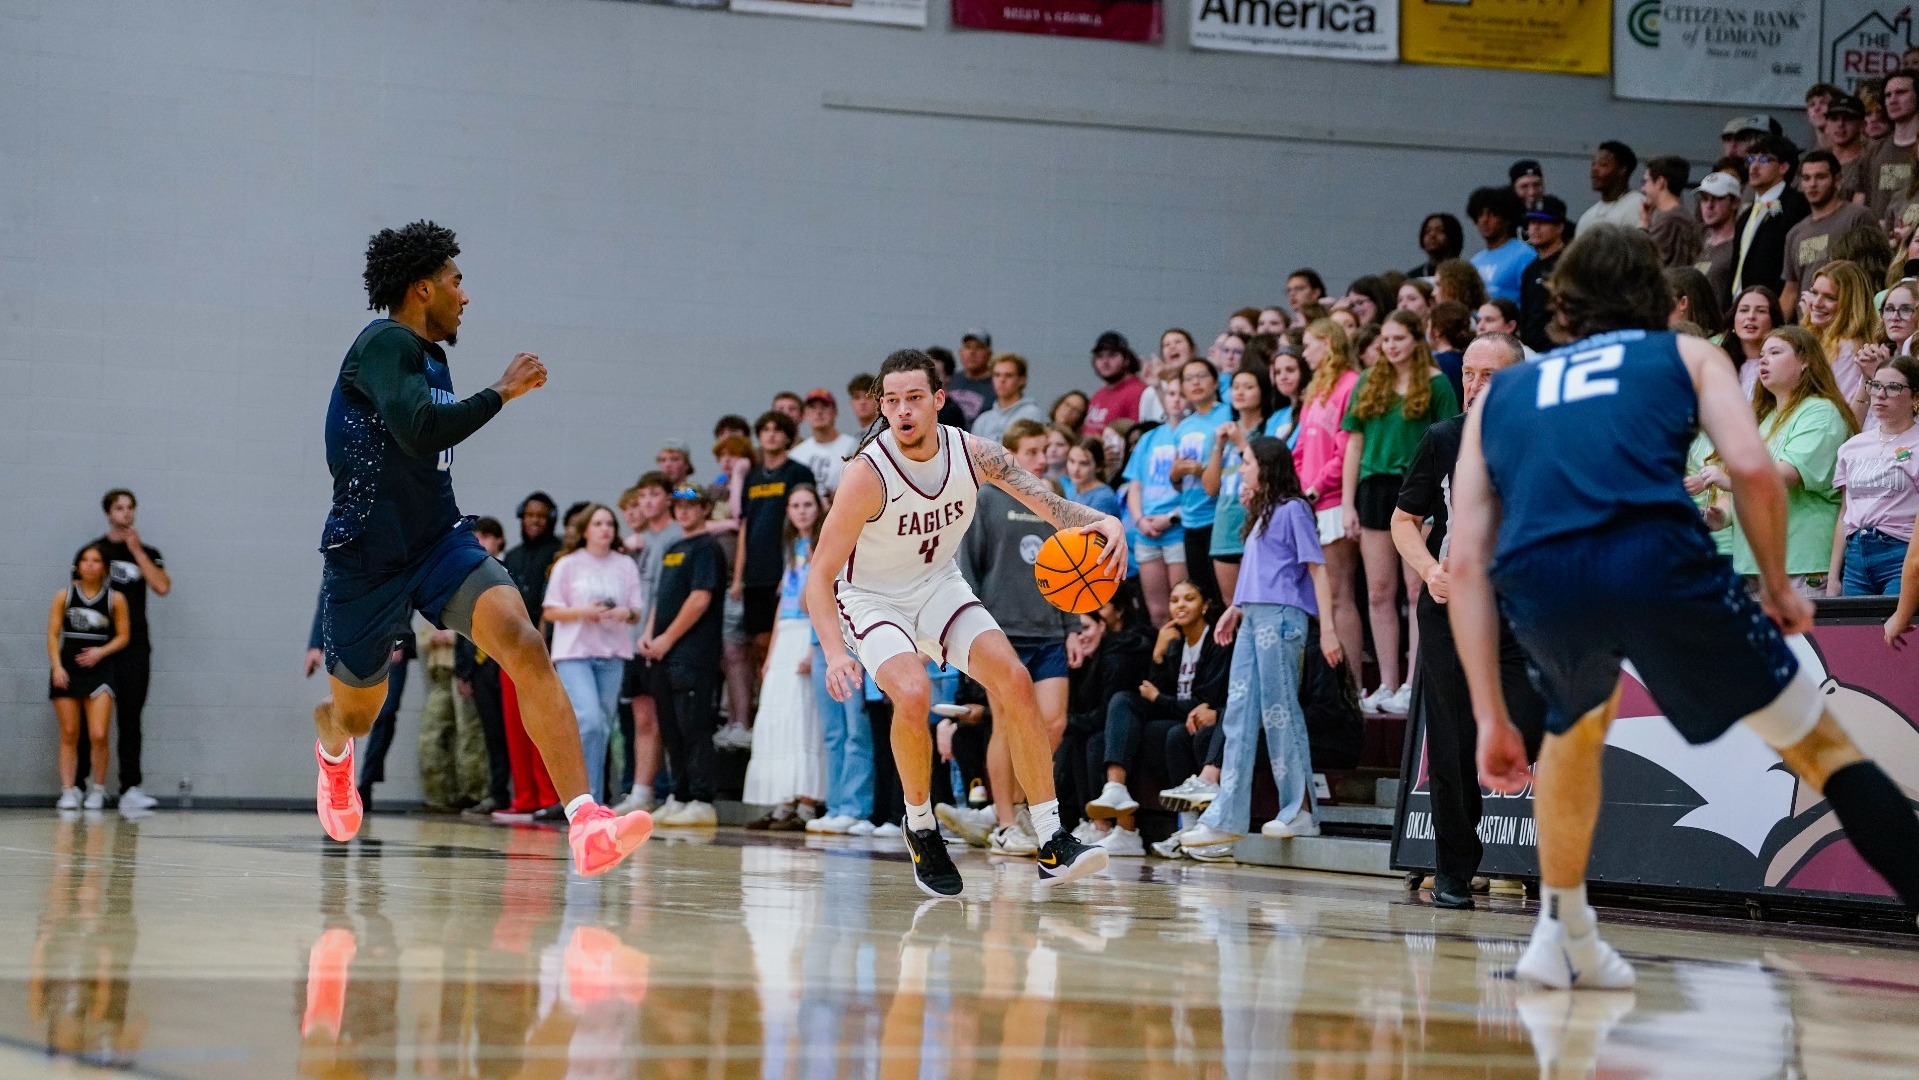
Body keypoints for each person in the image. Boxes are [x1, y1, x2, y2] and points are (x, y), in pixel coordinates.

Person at [1451, 223, 1919, 990]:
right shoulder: (1683, 353)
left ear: (1561, 302)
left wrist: (1488, 717)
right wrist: (1774, 585)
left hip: (1542, 578)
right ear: (1660, 298)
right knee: (1821, 749)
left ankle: (1561, 932)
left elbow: (1466, 559)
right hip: (1653, 562)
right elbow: (1750, 469)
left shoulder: (1503, 390)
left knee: (1573, 725)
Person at [313, 222, 649, 874]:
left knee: (524, 644)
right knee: (356, 715)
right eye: (456, 282)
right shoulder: (384, 343)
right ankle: (332, 758)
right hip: (366, 556)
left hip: (439, 540)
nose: (465, 296)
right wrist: (502, 390)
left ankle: (586, 821)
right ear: (422, 288)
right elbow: (416, 430)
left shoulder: (433, 357)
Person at [804, 349, 1127, 896]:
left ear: (937, 400)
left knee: (1014, 679)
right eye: (892, 400)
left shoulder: (976, 454)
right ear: (882, 406)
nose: (903, 410)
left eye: (914, 398)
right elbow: (820, 576)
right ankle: (921, 823)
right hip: (872, 597)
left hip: (937, 585)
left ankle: (1051, 836)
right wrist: (835, 652)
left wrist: (1102, 520)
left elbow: (1048, 504)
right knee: (912, 693)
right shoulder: (867, 474)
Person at [1389, 334, 1545, 909]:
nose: (1476, 386)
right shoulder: (1444, 438)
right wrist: (1430, 570)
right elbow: (1404, 520)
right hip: (1454, 602)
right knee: (1451, 742)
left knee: (1527, 725)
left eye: (1490, 376)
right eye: (1469, 374)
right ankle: (1454, 871)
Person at [1177, 437, 1343, 850]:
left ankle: (1300, 810)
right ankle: (1226, 815)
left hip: (1283, 618)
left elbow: (1316, 570)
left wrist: (1329, 630)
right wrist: (1236, 609)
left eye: (1247, 461)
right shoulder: (1262, 513)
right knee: (1237, 715)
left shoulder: (1293, 509)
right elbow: (1258, 571)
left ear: (1267, 466)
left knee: (1280, 711)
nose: (1243, 468)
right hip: (1253, 618)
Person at [959, 419, 1084, 856]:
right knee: (1007, 725)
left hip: (1048, 629)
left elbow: (1073, 569)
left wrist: (1073, 627)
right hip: (1001, 632)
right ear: (1009, 454)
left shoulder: (1054, 499)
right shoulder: (986, 499)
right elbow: (967, 569)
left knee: (1053, 723)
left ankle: (1024, 803)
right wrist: (972, 627)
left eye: (1045, 449)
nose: (1041, 457)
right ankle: (1007, 822)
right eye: (1031, 451)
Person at [1341, 311, 1461, 715]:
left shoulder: (1437, 382)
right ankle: (1388, 683)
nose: (1391, 346)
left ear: (1416, 339)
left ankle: (1413, 682)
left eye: (1399, 338)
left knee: (1416, 589)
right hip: (1374, 487)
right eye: (1386, 339)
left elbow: (1448, 439)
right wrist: (1346, 502)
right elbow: (1354, 445)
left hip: (1418, 487)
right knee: (1378, 591)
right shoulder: (1368, 380)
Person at [1084, 580, 1227, 854]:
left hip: (1204, 721)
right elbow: (1155, 690)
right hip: (1175, 715)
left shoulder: (1216, 642)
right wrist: (1159, 655)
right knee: (1119, 713)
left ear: (1205, 605)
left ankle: (1187, 829)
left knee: (1172, 735)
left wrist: (1160, 699)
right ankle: (1118, 801)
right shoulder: (1173, 643)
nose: (1180, 605)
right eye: (1174, 600)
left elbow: (1203, 705)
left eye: (1189, 598)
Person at [542, 504, 643, 806]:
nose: (605, 529)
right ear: (585, 529)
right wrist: (584, 612)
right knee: (588, 721)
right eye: (598, 523)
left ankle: (592, 801)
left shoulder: (625, 565)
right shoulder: (568, 564)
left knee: (602, 726)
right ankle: (583, 801)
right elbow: (550, 611)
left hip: (612, 653)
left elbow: (636, 612)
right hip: (575, 653)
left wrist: (624, 612)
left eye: (610, 524)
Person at [741, 484, 828, 831]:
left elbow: (826, 599)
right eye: (795, 505)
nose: (802, 511)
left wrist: (813, 647)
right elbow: (783, 603)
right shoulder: (791, 548)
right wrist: (772, 651)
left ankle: (807, 801)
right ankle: (783, 798)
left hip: (809, 632)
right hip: (787, 633)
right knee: (777, 718)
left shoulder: (824, 545)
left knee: (803, 716)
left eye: (808, 504)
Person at [74, 490, 168, 811]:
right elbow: (79, 593)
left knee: (130, 717)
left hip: (135, 647)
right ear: (108, 513)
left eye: (130, 508)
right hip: (99, 647)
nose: (126, 513)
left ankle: (130, 787)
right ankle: (82, 784)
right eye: (119, 508)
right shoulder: (95, 552)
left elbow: (162, 586)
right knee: (92, 721)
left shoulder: (148, 552)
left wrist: (136, 551)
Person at [641, 486, 728, 827]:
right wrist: (650, 636)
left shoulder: (708, 548)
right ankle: (679, 795)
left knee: (694, 726)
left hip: (693, 655)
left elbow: (699, 598)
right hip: (664, 653)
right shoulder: (673, 548)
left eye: (692, 506)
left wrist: (667, 638)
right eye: (678, 506)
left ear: (705, 509)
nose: (684, 512)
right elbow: (662, 600)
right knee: (671, 728)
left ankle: (702, 799)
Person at [1291, 319, 1365, 685]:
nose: (1304, 353)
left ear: (1327, 343)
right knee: (1319, 601)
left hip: (1333, 500)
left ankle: (1351, 683)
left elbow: (1346, 449)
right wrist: (1297, 487)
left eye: (1308, 345)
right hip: (1310, 502)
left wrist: (1316, 487)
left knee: (1339, 594)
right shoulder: (1316, 388)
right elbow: (1303, 447)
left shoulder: (1351, 384)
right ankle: (1330, 685)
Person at [733, 410, 817, 732]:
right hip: (754, 572)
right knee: (757, 644)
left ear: (788, 436)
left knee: (777, 636)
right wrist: (739, 575)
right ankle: (765, 704)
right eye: (764, 429)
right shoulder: (752, 477)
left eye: (777, 429)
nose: (770, 435)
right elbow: (744, 527)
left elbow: (805, 520)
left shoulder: (798, 472)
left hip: (784, 568)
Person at [49, 544, 130, 811]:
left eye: (96, 560)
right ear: (78, 565)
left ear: (104, 567)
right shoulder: (64, 595)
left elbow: (123, 636)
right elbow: (52, 635)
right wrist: (57, 667)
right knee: (70, 732)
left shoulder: (115, 599)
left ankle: (98, 790)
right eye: (85, 559)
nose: (90, 565)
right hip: (68, 667)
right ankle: (68, 791)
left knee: (98, 734)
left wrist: (100, 652)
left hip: (100, 669)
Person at [1831, 355, 1919, 594]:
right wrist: (1833, 577)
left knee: (1900, 630)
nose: (1880, 394)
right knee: (1855, 630)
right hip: (1856, 555)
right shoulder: (1852, 446)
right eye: (1876, 385)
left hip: (1902, 552)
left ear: (1915, 397)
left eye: (1894, 388)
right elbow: (1845, 511)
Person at [1203, 366, 1277, 605]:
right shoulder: (1223, 431)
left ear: (1262, 393)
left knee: (1261, 601)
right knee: (1232, 606)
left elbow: (1268, 475)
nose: (1240, 392)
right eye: (1236, 387)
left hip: (1257, 522)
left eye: (1248, 387)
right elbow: (1210, 488)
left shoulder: (1271, 427)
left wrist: (1241, 442)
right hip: (1225, 527)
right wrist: (1218, 446)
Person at [1167, 359, 1234, 608]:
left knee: (1223, 596)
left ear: (1216, 382)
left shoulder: (1227, 414)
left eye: (1202, 376)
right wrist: (1174, 474)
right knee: (1202, 597)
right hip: (1191, 518)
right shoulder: (1183, 427)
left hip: (1218, 514)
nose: (1195, 382)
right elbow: (1177, 484)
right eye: (1189, 378)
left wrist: (1201, 470)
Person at [457, 517, 512, 819]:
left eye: (487, 537)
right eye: (475, 537)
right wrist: (462, 671)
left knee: (513, 733)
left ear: (499, 540)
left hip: (503, 662)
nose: (481, 543)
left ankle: (520, 795)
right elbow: (458, 629)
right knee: (490, 734)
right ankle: (497, 793)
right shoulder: (467, 573)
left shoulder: (506, 570)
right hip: (478, 666)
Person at [1781, 151, 1878, 315]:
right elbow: (1791, 289)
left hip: (1847, 320)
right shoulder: (1795, 233)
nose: (1812, 184)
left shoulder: (1858, 217)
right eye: (1806, 178)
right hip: (1808, 328)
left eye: (1820, 177)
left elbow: (1873, 274)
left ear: (1838, 180)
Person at [1124, 388, 1188, 626]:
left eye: (1180, 393)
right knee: (1158, 614)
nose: (1176, 398)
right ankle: (1165, 660)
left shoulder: (1192, 433)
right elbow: (1135, 486)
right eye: (1171, 393)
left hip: (1177, 530)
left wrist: (1171, 517)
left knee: (1182, 610)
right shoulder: (1149, 438)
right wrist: (1139, 520)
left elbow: (1199, 491)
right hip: (1147, 533)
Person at [1731, 135, 1811, 297]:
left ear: (1783, 167)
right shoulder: (1745, 215)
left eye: (1764, 159)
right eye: (1751, 159)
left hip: (1774, 302)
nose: (1754, 166)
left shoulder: (1796, 204)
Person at [1804, 259, 1884, 417]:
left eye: (1829, 298)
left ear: (1851, 304)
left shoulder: (1848, 347)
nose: (1817, 303)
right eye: (1814, 293)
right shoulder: (1815, 337)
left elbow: (1838, 409)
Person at [1863, 69, 1919, 222]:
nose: (1892, 100)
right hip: (1878, 238)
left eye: (1901, 93)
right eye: (1888, 95)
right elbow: (1864, 200)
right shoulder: (1874, 150)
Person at [1466, 186, 1535, 303]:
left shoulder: (1524, 255)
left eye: (1492, 214)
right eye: (1480, 214)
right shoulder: (1474, 261)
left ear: (1507, 218)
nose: (1484, 220)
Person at [1520, 196, 1571, 353]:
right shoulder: (1530, 269)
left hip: (1557, 348)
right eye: (1532, 222)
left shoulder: (1568, 264)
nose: (1535, 228)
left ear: (1560, 227)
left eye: (1543, 222)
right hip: (1531, 350)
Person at [502, 492, 560, 628]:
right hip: (516, 630)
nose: (535, 520)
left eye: (541, 516)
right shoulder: (512, 555)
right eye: (529, 515)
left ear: (551, 519)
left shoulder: (559, 552)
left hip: (548, 633)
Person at [791, 388, 858, 498]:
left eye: (824, 406)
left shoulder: (853, 447)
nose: (819, 412)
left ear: (835, 413)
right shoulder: (796, 454)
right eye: (812, 407)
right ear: (805, 415)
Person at [1640, 156, 1703, 268]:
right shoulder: (1678, 216)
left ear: (1660, 182)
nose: (1643, 189)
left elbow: (1643, 259)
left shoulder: (1670, 219)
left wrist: (1644, 226)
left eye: (1645, 182)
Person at [969, 352, 1046, 445]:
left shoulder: (1032, 415)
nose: (1002, 380)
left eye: (1008, 375)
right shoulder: (982, 421)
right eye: (997, 375)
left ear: (1021, 380)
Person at [1084, 331, 1147, 437]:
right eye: (1100, 356)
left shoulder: (1138, 392)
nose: (1105, 361)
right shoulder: (1098, 395)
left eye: (1112, 355)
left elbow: (1136, 437)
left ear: (1126, 359)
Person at [1695, 171, 1743, 307]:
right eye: (1704, 198)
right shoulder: (1697, 239)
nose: (1709, 205)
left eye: (1718, 198)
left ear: (1735, 202)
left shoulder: (1739, 245)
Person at [1724, 285, 1782, 394]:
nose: (1751, 316)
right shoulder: (1717, 361)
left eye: (1761, 311)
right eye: (1744, 310)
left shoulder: (1782, 366)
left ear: (1773, 321)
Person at [1577, 141, 1645, 231]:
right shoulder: (1587, 217)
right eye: (1593, 164)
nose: (1594, 170)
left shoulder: (1639, 206)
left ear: (1622, 169)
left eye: (1602, 164)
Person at [945, 329, 997, 426]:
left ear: (989, 354)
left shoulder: (998, 384)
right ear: (960, 352)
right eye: (967, 347)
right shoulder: (950, 379)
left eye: (979, 348)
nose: (972, 353)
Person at [1410, 213, 1465, 278]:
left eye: (1440, 230)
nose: (1432, 235)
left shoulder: (1465, 274)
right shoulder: (1414, 277)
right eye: (1427, 231)